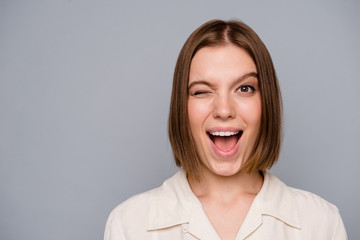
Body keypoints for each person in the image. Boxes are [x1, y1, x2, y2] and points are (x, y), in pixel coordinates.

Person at [104, 19, 347, 240]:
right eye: (201, 91)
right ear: (182, 107)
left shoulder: (321, 223)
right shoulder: (129, 224)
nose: (223, 110)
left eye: (244, 89)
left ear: (266, 103)